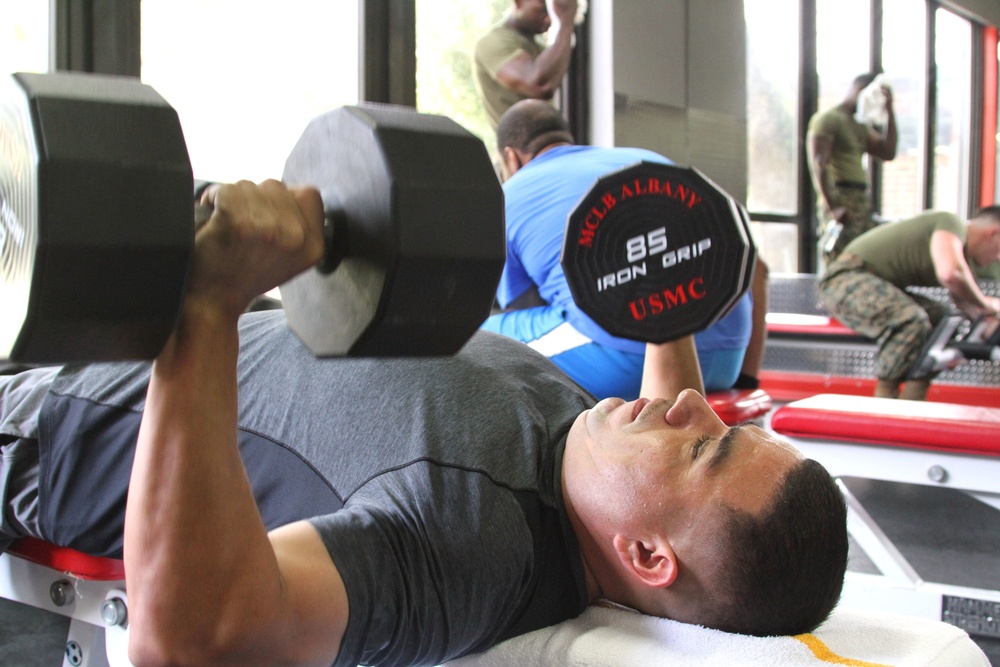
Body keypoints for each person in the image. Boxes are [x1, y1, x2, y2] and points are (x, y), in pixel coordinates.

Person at [0, 180, 847, 667]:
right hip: (93, 342)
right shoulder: (596, 458)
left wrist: (210, 304)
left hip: (44, 429)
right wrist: (670, 311)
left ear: (648, 557)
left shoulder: (471, 543)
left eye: (706, 444)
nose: (697, 405)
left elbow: (188, 639)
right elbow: (678, 416)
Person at [483, 99, 767, 401]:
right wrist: (746, 379)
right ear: (565, 138)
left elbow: (523, 307)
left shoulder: (509, 194)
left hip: (629, 366)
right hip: (728, 357)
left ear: (510, 158)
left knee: (479, 338)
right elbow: (757, 267)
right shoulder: (645, 159)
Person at [819, 207, 1000, 400]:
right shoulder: (951, 223)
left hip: (879, 285)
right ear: (994, 234)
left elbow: (969, 307)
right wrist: (987, 303)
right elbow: (950, 274)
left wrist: (988, 326)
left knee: (944, 322)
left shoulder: (965, 258)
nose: (997, 258)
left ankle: (914, 400)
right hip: (844, 280)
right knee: (910, 319)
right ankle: (885, 401)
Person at [807, 73, 898, 263]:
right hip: (840, 196)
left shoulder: (859, 126)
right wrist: (833, 207)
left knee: (860, 260)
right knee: (839, 260)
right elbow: (819, 165)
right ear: (860, 91)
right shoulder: (828, 119)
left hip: (860, 200)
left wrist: (889, 110)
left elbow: (888, 152)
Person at [473, 0, 580, 130]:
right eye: (542, 10)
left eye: (552, 13)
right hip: (520, 146)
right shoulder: (493, 42)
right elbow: (539, 85)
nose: (548, 20)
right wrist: (566, 23)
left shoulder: (537, 48)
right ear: (519, 3)